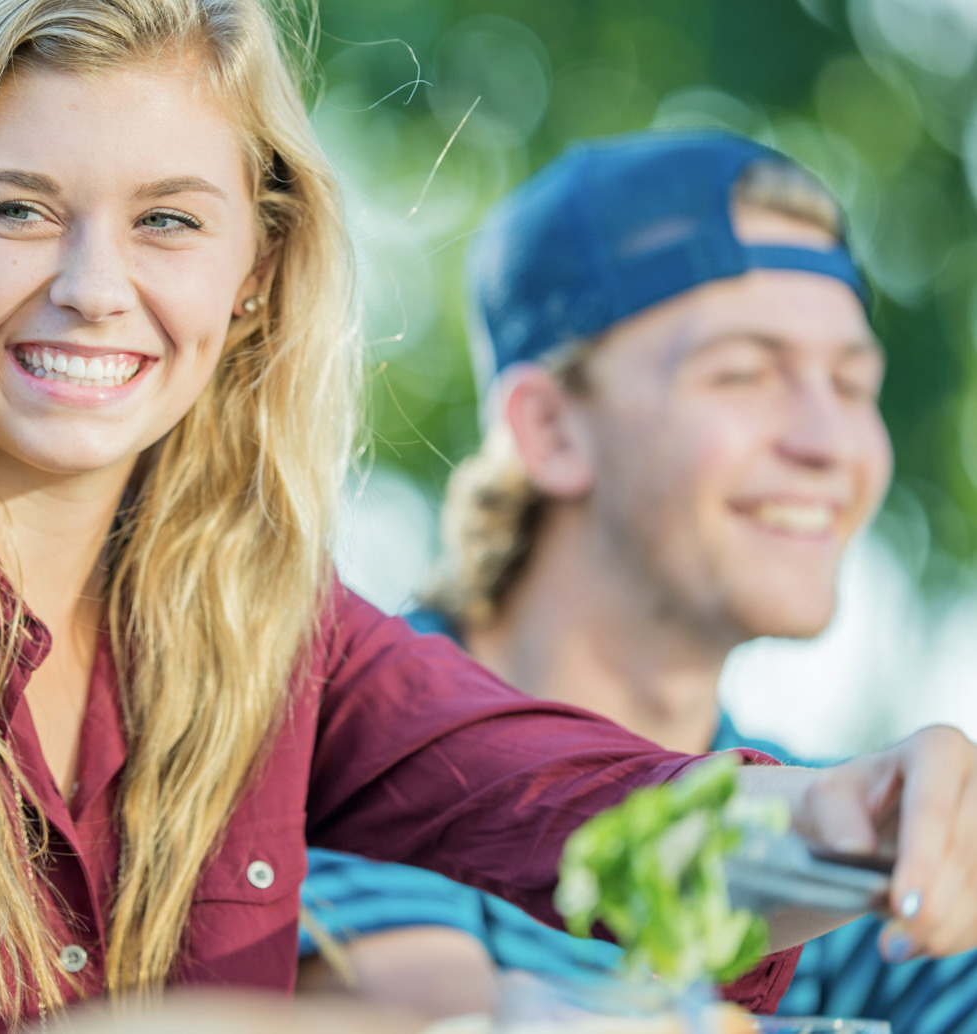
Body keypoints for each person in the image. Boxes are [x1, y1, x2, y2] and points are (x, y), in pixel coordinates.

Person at [0, 2, 977, 1032]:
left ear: (255, 273)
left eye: (169, 221)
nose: (91, 289)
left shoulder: (273, 628)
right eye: (18, 210)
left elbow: (558, 798)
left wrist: (837, 814)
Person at [299, 130, 977, 1034]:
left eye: (855, 387)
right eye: (744, 373)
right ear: (548, 430)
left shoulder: (840, 846)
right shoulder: (346, 758)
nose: (829, 445)